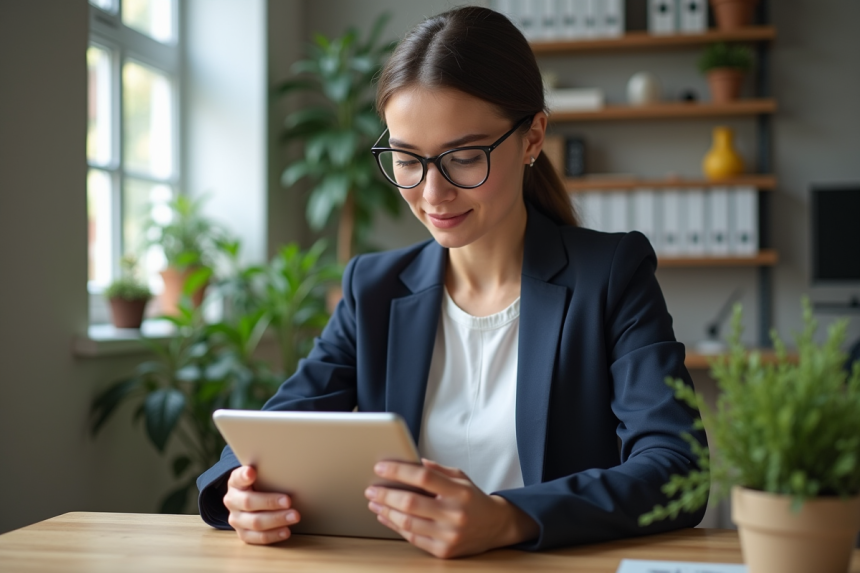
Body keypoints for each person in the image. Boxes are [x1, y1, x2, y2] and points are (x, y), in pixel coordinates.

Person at [197, 5, 707, 558]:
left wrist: (509, 518)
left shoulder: (609, 276)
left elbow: (676, 466)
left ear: (533, 137)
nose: (432, 194)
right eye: (406, 159)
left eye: (463, 158)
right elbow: (269, 431)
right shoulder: (375, 288)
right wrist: (240, 490)